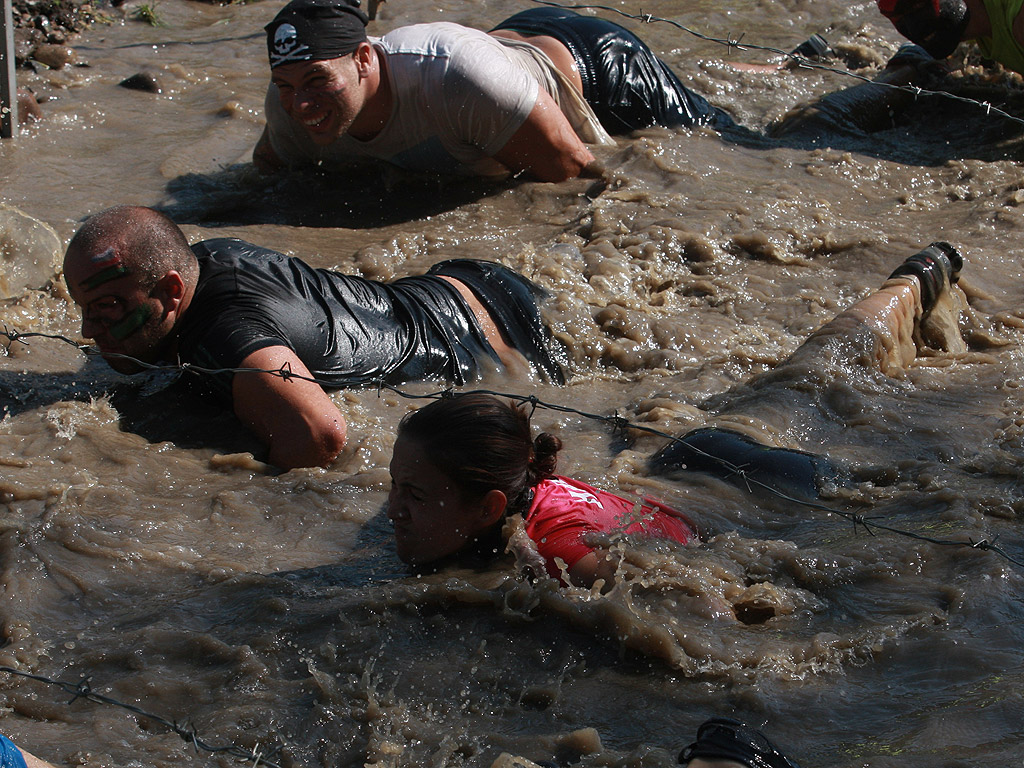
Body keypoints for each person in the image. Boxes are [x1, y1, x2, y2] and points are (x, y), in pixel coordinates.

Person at [386, 241, 965, 588]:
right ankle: (915, 279)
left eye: (412, 494)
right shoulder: (491, 497)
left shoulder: (561, 556)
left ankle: (922, 276)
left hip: (757, 487)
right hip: (681, 465)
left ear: (489, 506)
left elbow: (701, 611)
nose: (392, 511)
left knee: (822, 378)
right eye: (395, 489)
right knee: (803, 380)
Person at [62, 205, 565, 470]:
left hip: (491, 338)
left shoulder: (226, 332)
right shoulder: (206, 259)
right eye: (83, 309)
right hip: (466, 286)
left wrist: (216, 472)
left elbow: (320, 436)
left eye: (107, 308)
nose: (88, 332)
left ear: (172, 291)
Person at [253, 0, 724, 181]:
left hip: (597, 69)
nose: (303, 104)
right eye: (286, 86)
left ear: (362, 59)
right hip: (502, 54)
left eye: (317, 81)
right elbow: (269, 171)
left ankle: (790, 62)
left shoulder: (454, 82)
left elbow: (578, 172)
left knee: (724, 133)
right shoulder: (289, 108)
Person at [875, 0, 1024, 75]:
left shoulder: (1019, 22)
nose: (915, 28)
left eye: (917, 7)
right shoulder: (973, 21)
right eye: (900, 18)